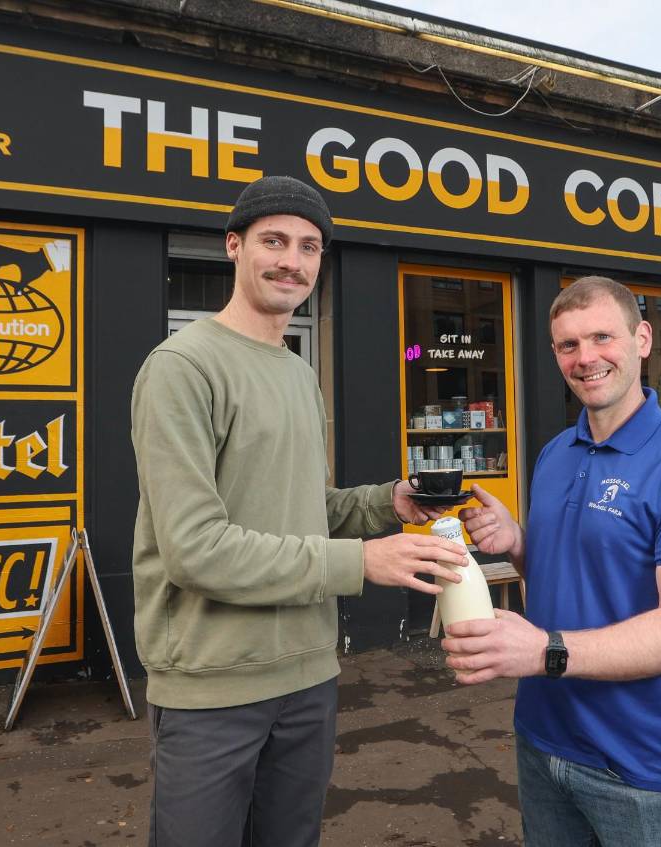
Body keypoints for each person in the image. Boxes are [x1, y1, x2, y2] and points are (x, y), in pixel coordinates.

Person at [130, 175, 465, 847]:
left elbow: (304, 510)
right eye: (274, 241)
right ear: (234, 246)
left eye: (309, 247)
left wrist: (385, 504)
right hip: (213, 684)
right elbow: (195, 548)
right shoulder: (182, 367)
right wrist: (361, 561)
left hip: (308, 676)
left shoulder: (296, 372)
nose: (293, 261)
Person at [443, 276, 661, 847]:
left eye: (602, 337)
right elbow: (561, 580)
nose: (585, 358)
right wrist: (517, 543)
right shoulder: (555, 455)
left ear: (642, 339)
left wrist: (544, 651)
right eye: (568, 344)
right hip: (542, 739)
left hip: (637, 764)